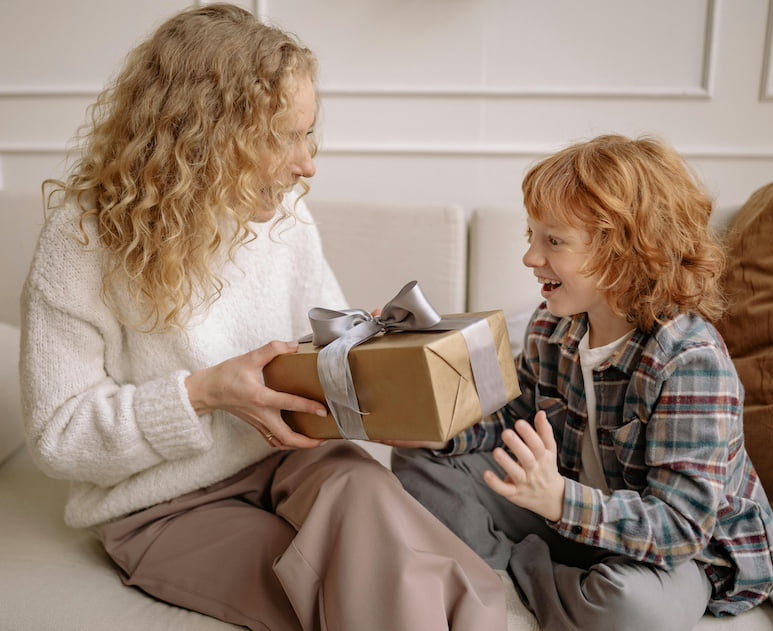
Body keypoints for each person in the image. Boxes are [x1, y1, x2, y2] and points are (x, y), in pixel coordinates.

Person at [19, 5, 506, 630]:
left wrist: (376, 371)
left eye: (308, 134)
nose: (307, 165)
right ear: (203, 135)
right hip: (162, 505)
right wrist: (202, 395)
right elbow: (59, 438)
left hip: (294, 458)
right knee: (362, 587)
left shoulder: (284, 220)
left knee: (367, 500)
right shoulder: (82, 243)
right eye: (284, 137)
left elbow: (318, 358)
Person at [392, 134, 773, 631]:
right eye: (531, 236)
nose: (531, 258)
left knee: (629, 608)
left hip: (679, 553)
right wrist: (443, 431)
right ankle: (542, 572)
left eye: (553, 241)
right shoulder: (551, 326)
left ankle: (518, 569)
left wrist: (557, 501)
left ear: (625, 252)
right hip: (576, 510)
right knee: (421, 457)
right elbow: (515, 420)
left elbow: (681, 527)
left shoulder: (690, 362)